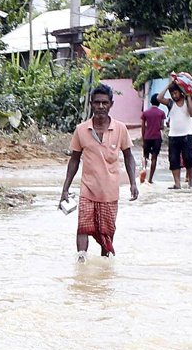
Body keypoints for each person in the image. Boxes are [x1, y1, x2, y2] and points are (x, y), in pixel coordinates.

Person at [60, 84, 140, 261]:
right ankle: (81, 261)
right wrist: (65, 188)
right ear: (91, 104)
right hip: (87, 190)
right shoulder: (81, 130)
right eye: (97, 103)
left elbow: (129, 157)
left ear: (111, 104)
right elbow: (74, 160)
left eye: (105, 103)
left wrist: (133, 183)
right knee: (83, 227)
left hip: (110, 192)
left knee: (107, 234)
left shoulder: (120, 129)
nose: (101, 107)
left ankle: (105, 267)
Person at [158, 79, 192, 189]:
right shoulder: (170, 103)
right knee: (173, 160)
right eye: (172, 93)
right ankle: (177, 183)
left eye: (175, 92)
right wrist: (168, 86)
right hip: (173, 136)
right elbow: (159, 98)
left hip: (187, 135)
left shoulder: (188, 101)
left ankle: (191, 180)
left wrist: (189, 96)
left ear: (180, 92)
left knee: (189, 158)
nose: (174, 95)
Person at [140, 94, 167, 184]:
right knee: (154, 158)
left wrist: (143, 138)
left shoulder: (146, 113)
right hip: (157, 138)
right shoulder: (161, 113)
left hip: (147, 137)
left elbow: (143, 127)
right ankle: (150, 179)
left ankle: (143, 176)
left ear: (151, 102)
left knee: (145, 157)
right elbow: (162, 126)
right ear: (159, 103)